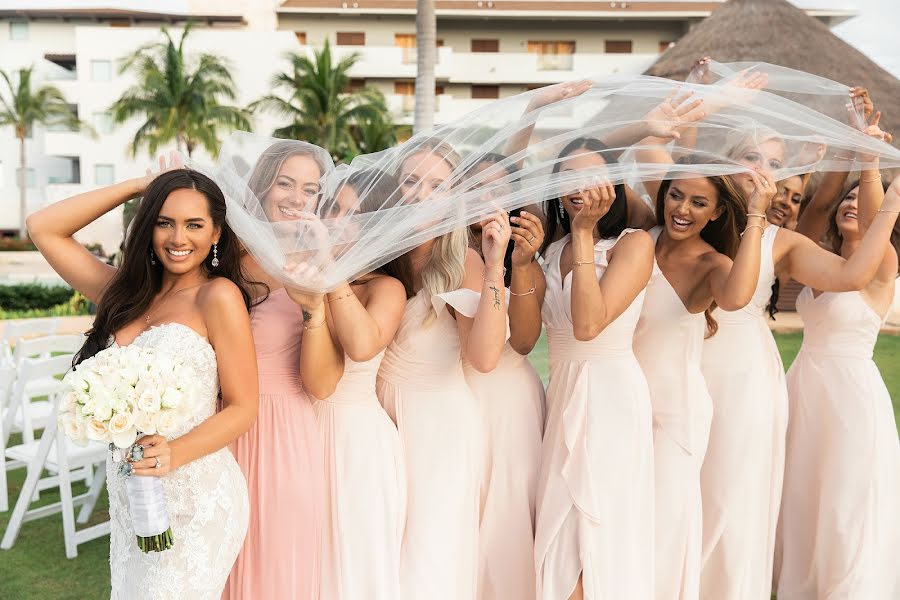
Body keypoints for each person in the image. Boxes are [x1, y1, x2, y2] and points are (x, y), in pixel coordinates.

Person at [27, 158, 258, 599]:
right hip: (132, 498)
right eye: (164, 222)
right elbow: (43, 227)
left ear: (216, 234)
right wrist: (138, 186)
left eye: (194, 225)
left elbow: (244, 407)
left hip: (195, 496)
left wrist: (173, 452)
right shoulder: (123, 294)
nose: (177, 238)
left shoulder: (219, 296)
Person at [633, 158, 775, 600]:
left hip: (674, 417)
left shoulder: (712, 263)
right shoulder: (639, 238)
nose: (683, 209)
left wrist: (755, 215)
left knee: (660, 533)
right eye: (676, 195)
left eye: (699, 203)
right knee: (622, 527)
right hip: (620, 404)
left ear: (715, 213)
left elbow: (735, 298)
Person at [375, 139, 511, 600]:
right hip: (377, 425)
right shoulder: (375, 257)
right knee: (382, 551)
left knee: (428, 558)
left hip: (439, 431)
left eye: (437, 185)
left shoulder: (463, 261)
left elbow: (485, 357)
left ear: (454, 195)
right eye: (410, 181)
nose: (420, 194)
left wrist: (495, 267)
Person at [777, 124, 900, 599]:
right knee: (804, 493)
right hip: (804, 386)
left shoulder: (882, 265)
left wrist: (869, 157)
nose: (851, 205)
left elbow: (876, 213)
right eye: (846, 201)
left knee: (846, 498)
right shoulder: (816, 257)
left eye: (859, 202)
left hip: (850, 395)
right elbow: (816, 207)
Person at [534, 138, 655, 600]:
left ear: (614, 185)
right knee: (558, 532)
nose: (580, 187)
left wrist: (585, 234)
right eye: (570, 177)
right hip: (562, 392)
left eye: (592, 176)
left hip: (610, 400)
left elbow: (588, 323)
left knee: (596, 532)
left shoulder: (634, 245)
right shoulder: (549, 247)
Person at [292, 169, 408, 600]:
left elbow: (361, 346)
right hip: (300, 430)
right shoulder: (297, 277)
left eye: (352, 214)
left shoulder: (386, 288)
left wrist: (330, 268)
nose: (336, 221)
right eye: (332, 209)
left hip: (359, 443)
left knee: (359, 566)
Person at [224, 141, 332, 600]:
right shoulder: (223, 257)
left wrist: (317, 302)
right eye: (285, 183)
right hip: (219, 429)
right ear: (263, 185)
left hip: (285, 433)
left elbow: (324, 382)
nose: (295, 197)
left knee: (277, 565)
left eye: (310, 189)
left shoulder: (317, 268)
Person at [462, 155, 547, 600]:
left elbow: (526, 340)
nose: (486, 200)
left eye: (497, 190)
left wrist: (522, 262)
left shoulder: (524, 256)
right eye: (476, 188)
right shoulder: (440, 247)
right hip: (451, 397)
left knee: (506, 521)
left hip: (508, 402)